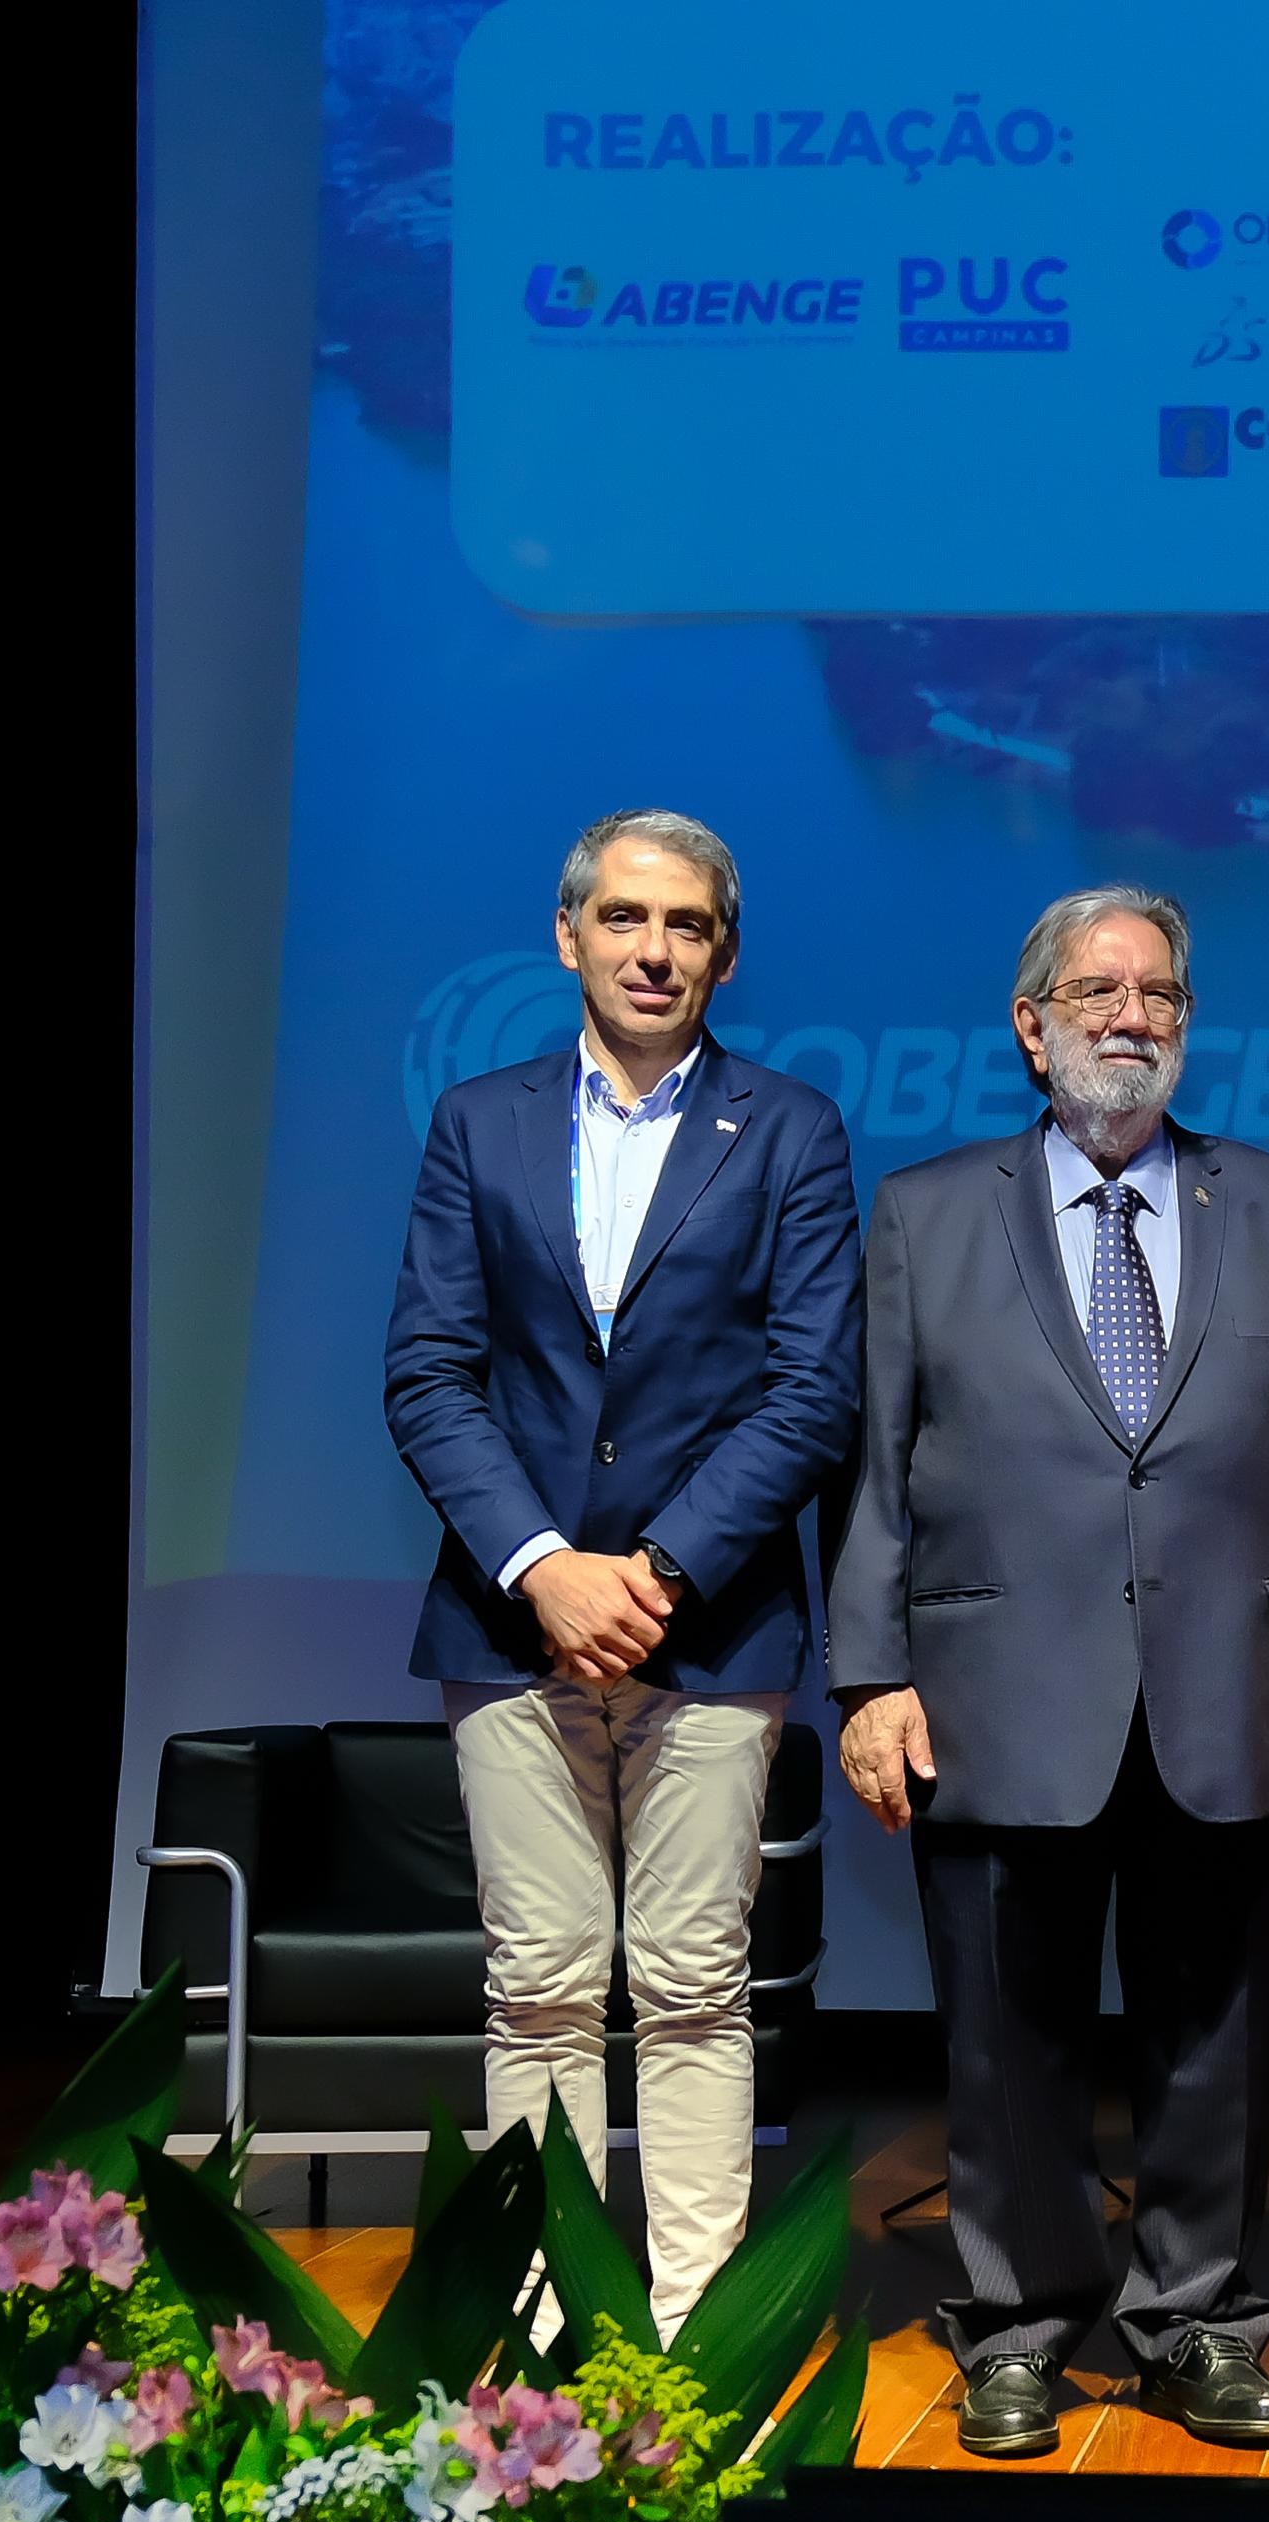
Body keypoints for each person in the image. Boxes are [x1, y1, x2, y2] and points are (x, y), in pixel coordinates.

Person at [831, 885, 1269, 2458]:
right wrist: (870, 1673)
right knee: (1008, 2037)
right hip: (994, 1681)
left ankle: (1199, 2320)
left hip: (1237, 1682)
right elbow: (876, 1466)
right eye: (1095, 990)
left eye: (1158, 992)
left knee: (1216, 2030)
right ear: (1032, 1024)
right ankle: (1018, 2324)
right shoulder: (928, 1214)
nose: (1129, 1014)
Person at [382, 808, 864, 2340]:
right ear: (570, 931)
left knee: (693, 1982)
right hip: (509, 1625)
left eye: (690, 926)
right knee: (534, 1982)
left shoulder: (790, 1128)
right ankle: (534, 2326)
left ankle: (693, 2331)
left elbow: (814, 1389)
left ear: (726, 952)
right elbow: (430, 1376)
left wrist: (650, 1568)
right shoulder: (479, 1120)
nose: (657, 950)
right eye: (628, 918)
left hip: (712, 1627)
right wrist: (544, 1567)